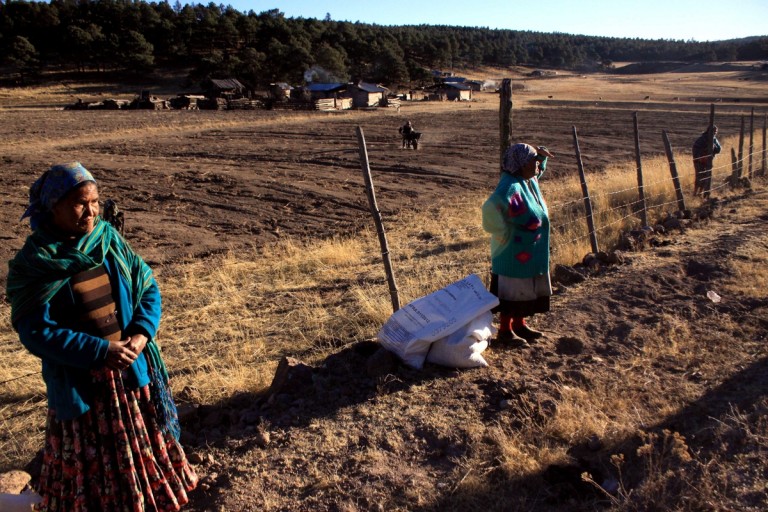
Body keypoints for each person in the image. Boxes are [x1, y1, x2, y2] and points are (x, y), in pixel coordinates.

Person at [6, 162, 198, 511]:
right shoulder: (36, 263)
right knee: (91, 472)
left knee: (140, 449)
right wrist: (100, 350)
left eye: (95, 201)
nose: (91, 211)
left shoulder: (108, 240)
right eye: (81, 203)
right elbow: (35, 331)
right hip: (83, 386)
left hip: (129, 373)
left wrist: (140, 335)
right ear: (54, 206)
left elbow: (147, 287)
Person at [482, 144, 554, 346]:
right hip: (512, 253)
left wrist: (541, 156)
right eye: (533, 161)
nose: (537, 165)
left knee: (524, 290)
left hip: (526, 252)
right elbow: (490, 207)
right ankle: (505, 331)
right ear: (521, 164)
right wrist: (502, 233)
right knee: (512, 292)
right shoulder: (510, 186)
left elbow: (537, 174)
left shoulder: (526, 180)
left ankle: (519, 325)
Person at [692, 125, 721, 198]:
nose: (715, 133)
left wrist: (713, 147)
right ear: (709, 131)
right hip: (699, 161)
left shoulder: (714, 139)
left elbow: (719, 149)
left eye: (716, 131)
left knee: (706, 177)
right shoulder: (702, 139)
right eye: (714, 131)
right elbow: (695, 149)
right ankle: (695, 193)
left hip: (708, 162)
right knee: (699, 177)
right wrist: (701, 155)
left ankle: (700, 193)